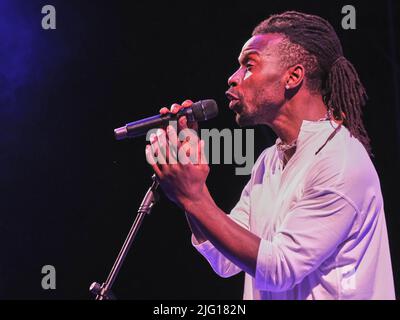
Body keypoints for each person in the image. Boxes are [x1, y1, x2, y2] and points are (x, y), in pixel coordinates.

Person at [145, 11, 395, 299]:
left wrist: (193, 197)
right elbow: (222, 258)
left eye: (248, 66)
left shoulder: (339, 160)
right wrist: (190, 185)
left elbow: (280, 268)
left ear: (293, 76)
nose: (233, 78)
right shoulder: (269, 162)